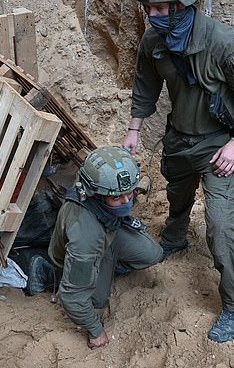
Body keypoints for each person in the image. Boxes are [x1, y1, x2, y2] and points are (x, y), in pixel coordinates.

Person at [122, 0, 234, 343]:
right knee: (177, 194)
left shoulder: (222, 41)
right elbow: (145, 86)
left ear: (182, 3)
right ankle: (174, 239)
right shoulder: (153, 42)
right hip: (179, 139)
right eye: (148, 8)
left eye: (159, 8)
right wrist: (134, 130)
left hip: (219, 143)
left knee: (221, 226)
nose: (152, 16)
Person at [48, 145, 163, 349]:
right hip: (90, 247)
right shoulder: (86, 237)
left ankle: (108, 264)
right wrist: (96, 330)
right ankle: (98, 268)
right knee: (97, 303)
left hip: (108, 230)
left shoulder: (95, 179)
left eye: (130, 194)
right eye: (117, 197)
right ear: (97, 196)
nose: (127, 201)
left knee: (153, 253)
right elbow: (72, 297)